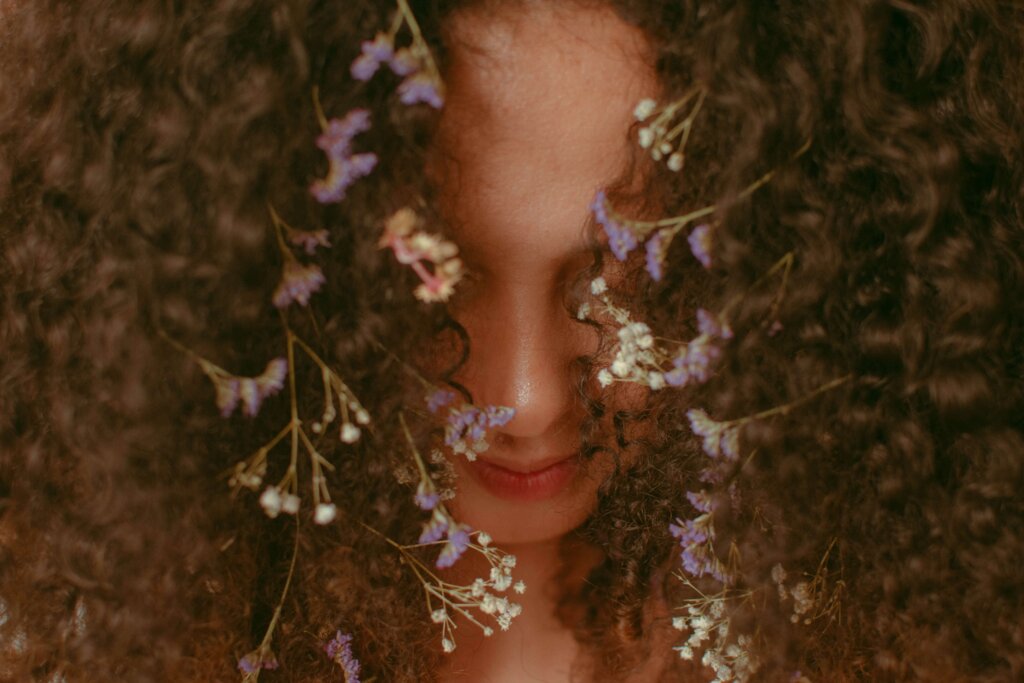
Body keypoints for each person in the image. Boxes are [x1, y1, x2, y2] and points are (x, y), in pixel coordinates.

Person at [1, 0, 1021, 682]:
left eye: (617, 276)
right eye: (428, 284)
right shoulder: (79, 623)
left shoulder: (908, 627)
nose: (527, 399)